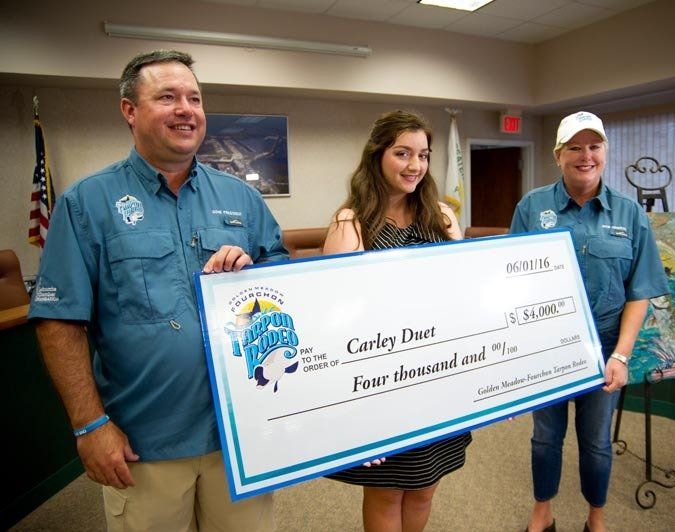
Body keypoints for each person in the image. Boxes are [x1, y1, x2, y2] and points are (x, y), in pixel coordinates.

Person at [27, 50, 287, 531]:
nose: (186, 109)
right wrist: (89, 426)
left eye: (194, 97)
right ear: (130, 110)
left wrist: (256, 278)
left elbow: (286, 290)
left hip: (239, 434)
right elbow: (59, 321)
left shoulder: (242, 199)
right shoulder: (88, 204)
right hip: (145, 444)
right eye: (167, 97)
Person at [510, 111, 669, 532]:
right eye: (575, 148)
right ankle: (542, 510)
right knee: (546, 437)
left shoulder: (630, 213)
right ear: (558, 155)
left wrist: (621, 354)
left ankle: (596, 517)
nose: (586, 156)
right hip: (547, 346)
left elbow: (641, 291)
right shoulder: (532, 207)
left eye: (594, 146)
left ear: (605, 152)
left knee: (596, 441)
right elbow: (513, 282)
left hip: (605, 348)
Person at [322, 110, 470, 532]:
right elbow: (335, 322)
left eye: (422, 155)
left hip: (438, 373)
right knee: (387, 489)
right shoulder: (351, 223)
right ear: (377, 155)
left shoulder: (441, 217)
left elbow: (465, 297)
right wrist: (356, 406)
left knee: (425, 485)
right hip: (381, 380)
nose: (415, 166)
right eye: (402, 153)